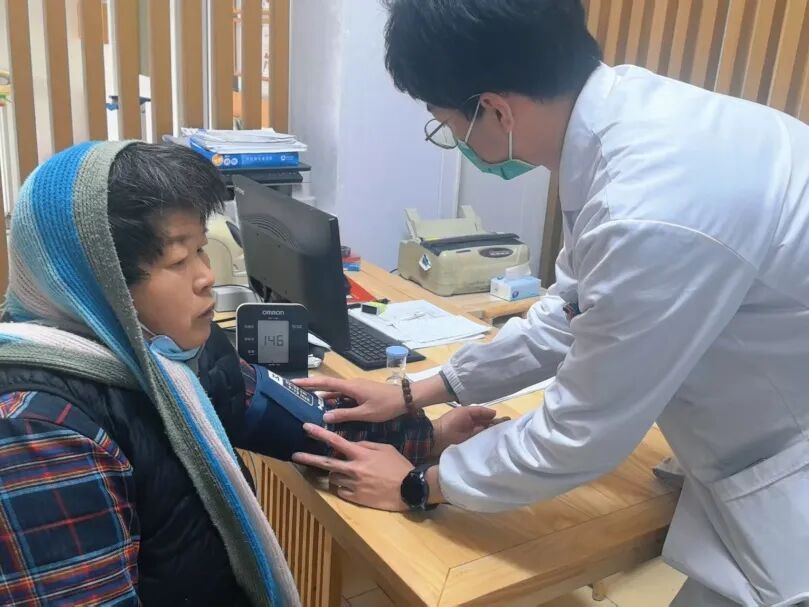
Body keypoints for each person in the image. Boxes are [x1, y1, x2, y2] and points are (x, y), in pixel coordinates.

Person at [291, 1, 809, 606]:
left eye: (447, 126)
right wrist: (414, 393)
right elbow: (567, 317)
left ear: (495, 109)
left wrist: (417, 484)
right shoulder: (628, 126)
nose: (454, 141)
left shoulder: (650, 206)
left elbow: (580, 434)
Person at [0, 141, 496, 606]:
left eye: (201, 249)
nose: (206, 276)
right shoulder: (40, 436)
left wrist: (430, 437)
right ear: (94, 280)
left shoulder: (173, 351)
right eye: (179, 258)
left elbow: (307, 423)